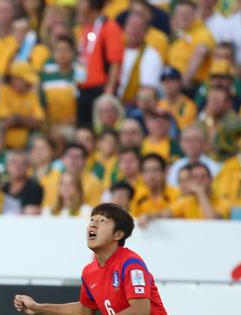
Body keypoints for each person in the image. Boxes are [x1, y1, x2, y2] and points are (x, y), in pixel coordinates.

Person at [14, 203, 193, 315]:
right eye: (92, 220)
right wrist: (38, 308)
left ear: (118, 234)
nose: (93, 224)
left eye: (102, 221)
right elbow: (85, 311)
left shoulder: (131, 264)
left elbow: (141, 311)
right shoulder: (89, 272)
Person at [75, 0, 124, 129]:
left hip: (101, 90)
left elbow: (115, 61)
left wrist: (109, 90)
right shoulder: (88, 28)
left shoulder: (110, 27)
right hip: (84, 90)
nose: (78, 4)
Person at [118, 12, 163, 104]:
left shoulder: (151, 55)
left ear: (146, 32)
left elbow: (148, 91)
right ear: (125, 28)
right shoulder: (117, 49)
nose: (134, 30)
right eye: (131, 26)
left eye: (139, 28)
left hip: (134, 107)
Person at [132, 154, 180, 227]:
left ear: (165, 172)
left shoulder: (176, 193)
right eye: (147, 171)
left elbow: (170, 213)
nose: (151, 175)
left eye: (155, 170)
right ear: (141, 174)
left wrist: (149, 216)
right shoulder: (136, 195)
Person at [3, 150, 43, 215]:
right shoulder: (3, 189)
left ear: (28, 167)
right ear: (7, 165)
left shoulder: (35, 189)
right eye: (14, 162)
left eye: (22, 163)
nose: (17, 166)